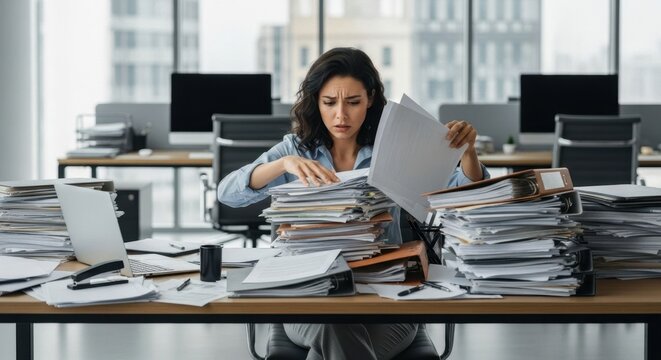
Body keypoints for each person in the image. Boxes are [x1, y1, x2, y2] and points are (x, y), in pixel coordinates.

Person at [217, 47, 489, 360]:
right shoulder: (297, 148)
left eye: (353, 102)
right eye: (329, 102)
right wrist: (282, 165)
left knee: (334, 338)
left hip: (386, 298)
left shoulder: (395, 148)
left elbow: (466, 197)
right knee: (335, 326)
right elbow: (228, 193)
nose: (341, 115)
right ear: (315, 100)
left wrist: (467, 152)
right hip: (310, 296)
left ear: (371, 99)